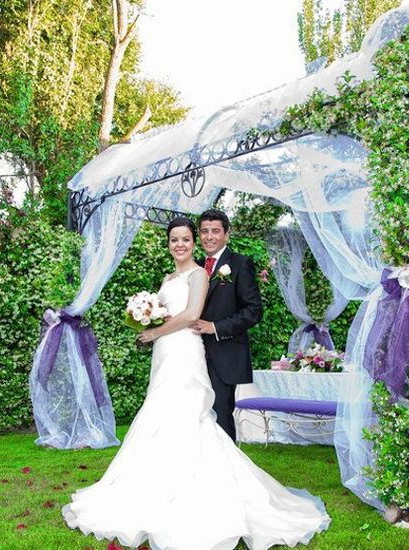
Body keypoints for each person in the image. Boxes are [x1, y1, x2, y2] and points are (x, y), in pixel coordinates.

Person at [62, 217, 329, 550]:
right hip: (166, 352)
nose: (181, 244)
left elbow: (190, 315)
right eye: (175, 239)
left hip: (185, 351)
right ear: (169, 243)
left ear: (195, 242)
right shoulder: (168, 277)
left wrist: (154, 331)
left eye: (186, 239)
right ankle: (153, 487)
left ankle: (208, 494)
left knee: (190, 416)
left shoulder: (200, 274)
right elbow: (169, 312)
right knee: (160, 413)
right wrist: (146, 316)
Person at [190, 209, 261, 441]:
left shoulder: (240, 264)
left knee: (220, 418)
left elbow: (253, 311)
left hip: (224, 354)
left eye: (215, 231)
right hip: (192, 354)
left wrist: (216, 327)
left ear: (226, 235)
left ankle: (228, 474)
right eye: (204, 231)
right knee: (193, 416)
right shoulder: (194, 267)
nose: (209, 237)